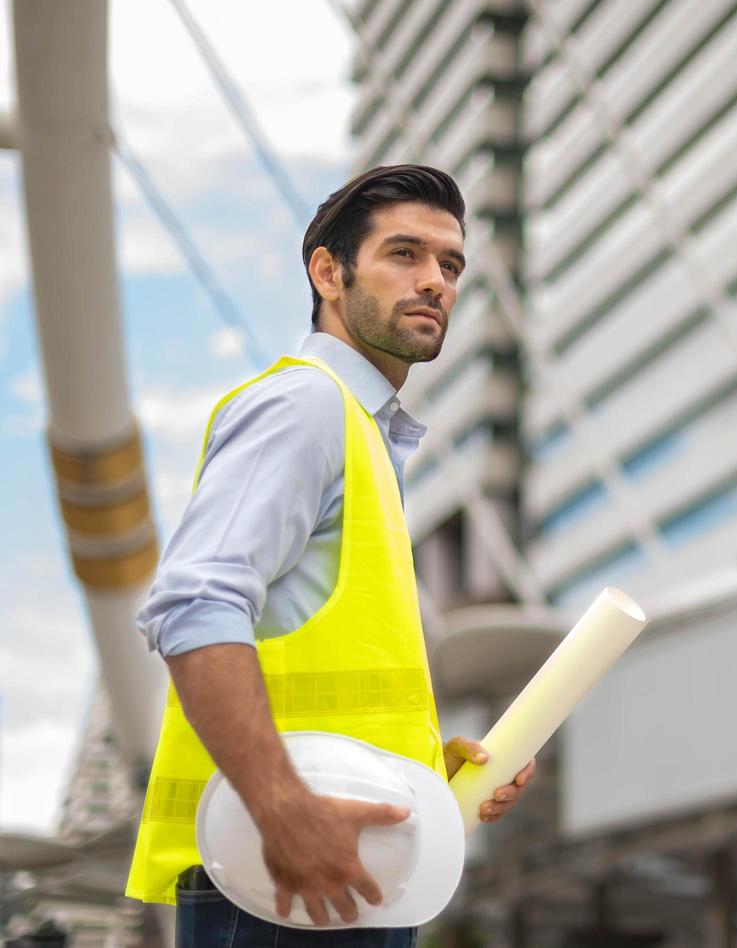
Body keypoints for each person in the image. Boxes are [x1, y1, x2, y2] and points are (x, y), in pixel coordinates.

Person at [125, 165, 533, 946]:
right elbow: (192, 605)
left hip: (339, 868)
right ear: (327, 272)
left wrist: (423, 772)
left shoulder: (365, 434)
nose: (434, 282)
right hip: (280, 875)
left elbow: (317, 675)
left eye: (450, 265)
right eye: (404, 255)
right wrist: (282, 808)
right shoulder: (305, 404)